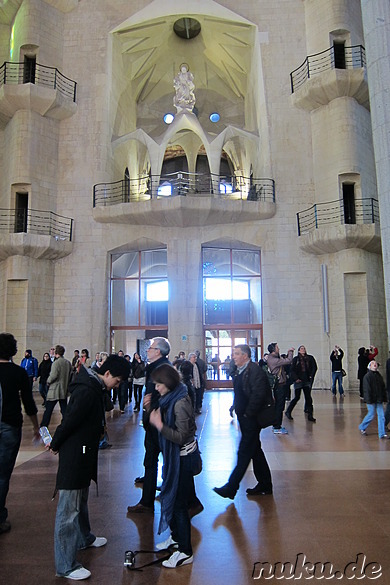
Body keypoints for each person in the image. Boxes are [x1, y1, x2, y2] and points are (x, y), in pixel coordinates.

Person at [49, 354, 130, 580]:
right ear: (106, 374)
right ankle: (65, 565)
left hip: (84, 450)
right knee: (69, 509)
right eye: (118, 380)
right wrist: (55, 444)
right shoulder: (87, 390)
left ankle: (84, 537)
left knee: (81, 497)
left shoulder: (94, 387)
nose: (118, 384)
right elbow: (70, 421)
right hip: (75, 453)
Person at [149, 363, 199, 568]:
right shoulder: (170, 397)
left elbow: (181, 436)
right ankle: (177, 537)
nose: (156, 388)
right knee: (173, 498)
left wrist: (160, 425)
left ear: (168, 383)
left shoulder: (179, 402)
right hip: (175, 458)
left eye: (159, 384)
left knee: (179, 504)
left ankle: (185, 551)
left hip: (183, 459)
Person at [213, 344, 272, 499]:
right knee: (255, 451)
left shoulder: (254, 371)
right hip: (245, 417)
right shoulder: (241, 370)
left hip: (251, 419)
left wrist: (248, 414)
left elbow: (258, 395)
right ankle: (265, 484)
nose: (233, 356)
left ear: (245, 356)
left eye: (237, 354)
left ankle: (231, 488)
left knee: (244, 452)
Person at [0, 333, 40, 535]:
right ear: (14, 351)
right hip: (9, 425)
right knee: (2, 474)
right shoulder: (18, 373)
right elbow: (29, 403)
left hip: (8, 425)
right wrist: (35, 427)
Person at [127, 337, 170, 513]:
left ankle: (150, 500)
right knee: (151, 459)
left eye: (151, 348)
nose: (148, 350)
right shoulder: (155, 367)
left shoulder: (162, 369)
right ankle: (148, 500)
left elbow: (167, 394)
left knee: (159, 459)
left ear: (158, 351)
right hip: (153, 420)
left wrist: (151, 404)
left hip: (159, 421)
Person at [40, 345, 72, 430]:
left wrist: (48, 381)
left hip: (55, 390)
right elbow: (70, 375)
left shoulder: (56, 363)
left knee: (48, 410)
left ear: (56, 353)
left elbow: (53, 375)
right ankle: (67, 425)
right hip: (64, 389)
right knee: (64, 410)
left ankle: (43, 427)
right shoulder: (67, 363)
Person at [267, 342, 294, 434]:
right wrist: (290, 352)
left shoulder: (272, 358)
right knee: (279, 406)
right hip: (279, 386)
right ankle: (277, 426)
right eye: (277, 347)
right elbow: (289, 361)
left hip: (279, 385)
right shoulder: (274, 360)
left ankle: (276, 425)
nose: (278, 349)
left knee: (278, 406)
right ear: (273, 350)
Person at [285, 345, 318, 422]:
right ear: (299, 351)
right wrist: (296, 378)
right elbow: (292, 370)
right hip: (298, 380)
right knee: (297, 397)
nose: (303, 350)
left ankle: (310, 415)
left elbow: (314, 367)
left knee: (308, 398)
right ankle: (288, 411)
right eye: (301, 349)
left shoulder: (310, 358)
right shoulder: (296, 359)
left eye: (304, 348)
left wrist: (311, 376)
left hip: (307, 380)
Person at [359, 360, 387, 439]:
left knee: (381, 416)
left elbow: (382, 388)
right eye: (373, 364)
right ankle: (362, 427)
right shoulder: (367, 377)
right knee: (371, 415)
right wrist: (368, 400)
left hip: (379, 399)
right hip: (371, 400)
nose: (375, 365)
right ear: (370, 366)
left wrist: (384, 398)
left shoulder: (379, 376)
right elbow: (366, 390)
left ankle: (382, 433)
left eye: (375, 364)